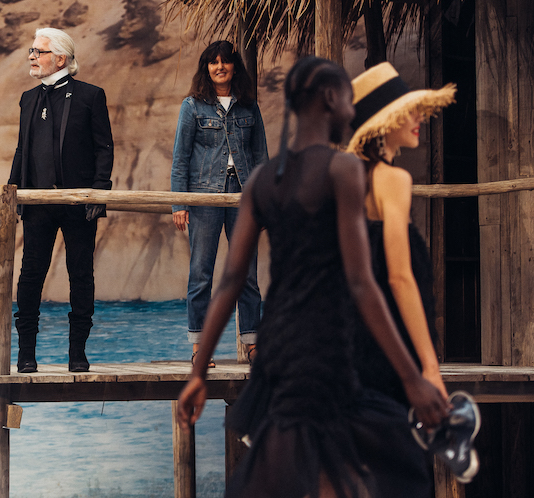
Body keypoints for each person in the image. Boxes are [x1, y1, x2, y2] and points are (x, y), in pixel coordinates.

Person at [177, 56, 448, 498]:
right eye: (346, 101)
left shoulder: (264, 178)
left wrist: (198, 373)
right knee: (356, 460)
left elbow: (229, 281)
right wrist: (413, 377)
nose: (349, 113)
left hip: (279, 343)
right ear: (329, 99)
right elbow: (361, 283)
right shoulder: (341, 170)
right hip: (324, 338)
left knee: (300, 454)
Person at [346, 62, 455, 405]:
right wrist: (429, 366)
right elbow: (400, 278)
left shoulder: (344, 183)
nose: (418, 118)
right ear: (386, 122)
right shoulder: (394, 181)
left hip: (352, 342)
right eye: (408, 112)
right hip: (390, 347)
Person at [8, 27, 114, 374]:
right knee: (30, 277)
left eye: (38, 51)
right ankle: (26, 355)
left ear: (61, 59)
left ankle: (77, 354)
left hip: (78, 203)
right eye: (32, 51)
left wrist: (98, 191)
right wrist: (13, 192)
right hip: (37, 203)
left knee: (80, 274)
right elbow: (22, 150)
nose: (32, 56)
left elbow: (104, 147)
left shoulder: (90, 96)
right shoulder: (28, 99)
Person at [170, 41, 267, 366]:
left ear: (234, 67)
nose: (220, 67)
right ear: (206, 68)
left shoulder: (248, 107)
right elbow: (180, 158)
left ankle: (253, 343)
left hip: (243, 197)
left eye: (225, 62)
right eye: (213, 62)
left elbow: (260, 157)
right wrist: (179, 203)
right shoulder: (192, 106)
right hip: (203, 196)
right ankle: (200, 347)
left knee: (246, 273)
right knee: (201, 272)